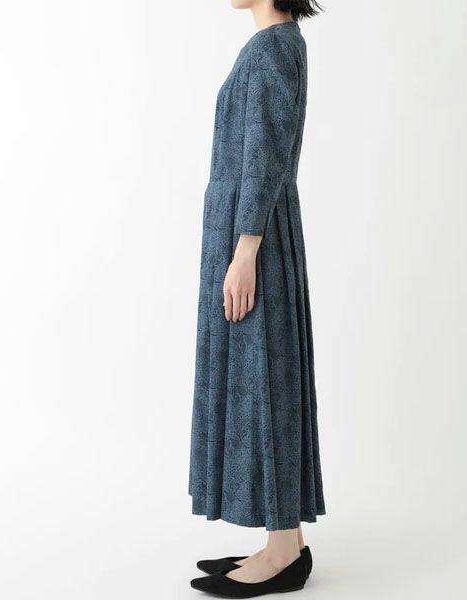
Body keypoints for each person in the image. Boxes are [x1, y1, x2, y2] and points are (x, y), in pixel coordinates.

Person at [188, 1, 325, 596]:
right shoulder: (278, 43)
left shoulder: (272, 48)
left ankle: (282, 553)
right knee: (264, 377)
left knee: (262, 379)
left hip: (252, 234)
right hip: (252, 225)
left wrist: (245, 250)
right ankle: (283, 541)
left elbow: (266, 154)